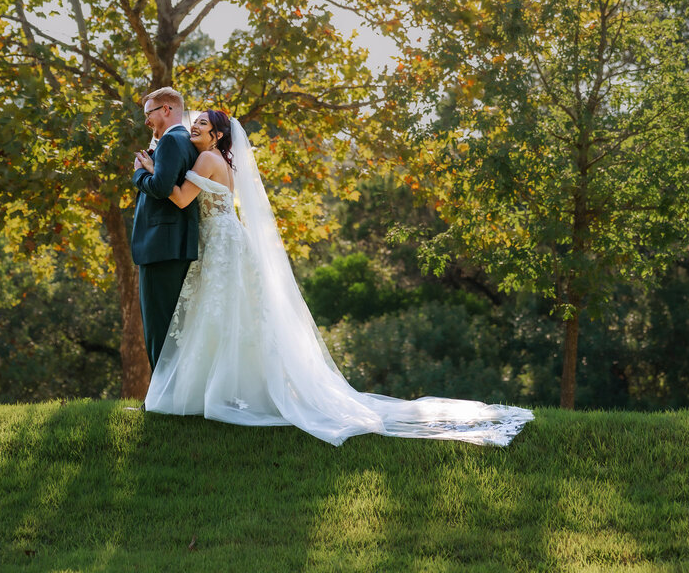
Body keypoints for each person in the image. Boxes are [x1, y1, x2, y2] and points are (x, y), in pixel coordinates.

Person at [139, 109, 534, 447]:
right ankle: (228, 390)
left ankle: (215, 393)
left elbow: (178, 198)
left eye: (201, 125)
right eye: (195, 123)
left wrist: (149, 170)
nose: (194, 129)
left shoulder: (207, 161)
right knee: (230, 316)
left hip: (220, 242)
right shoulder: (224, 163)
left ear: (218, 134)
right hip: (227, 238)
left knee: (219, 314)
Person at [130, 87, 199, 373]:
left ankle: (160, 402)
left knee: (160, 327)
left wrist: (139, 173)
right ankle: (171, 398)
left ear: (167, 110)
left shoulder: (172, 141)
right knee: (173, 327)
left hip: (162, 245)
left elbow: (159, 188)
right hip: (172, 244)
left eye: (149, 114)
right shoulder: (183, 141)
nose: (146, 121)